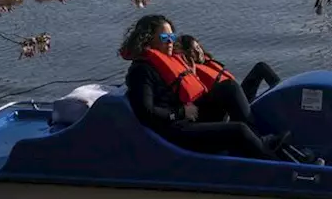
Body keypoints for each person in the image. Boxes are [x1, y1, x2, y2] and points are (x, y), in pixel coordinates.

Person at [119, 14, 292, 162]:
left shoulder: (168, 61)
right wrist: (181, 112)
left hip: (188, 116)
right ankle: (275, 164)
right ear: (148, 40)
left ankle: (258, 141)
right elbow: (145, 113)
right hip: (174, 130)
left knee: (229, 88)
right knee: (238, 129)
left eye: (172, 37)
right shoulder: (141, 71)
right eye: (165, 38)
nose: (171, 42)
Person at [178, 34, 282, 102]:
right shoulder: (190, 72)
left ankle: (282, 93)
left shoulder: (206, 62)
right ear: (186, 55)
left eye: (198, 47)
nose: (198, 52)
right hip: (230, 106)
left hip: (238, 96)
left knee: (261, 67)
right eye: (193, 51)